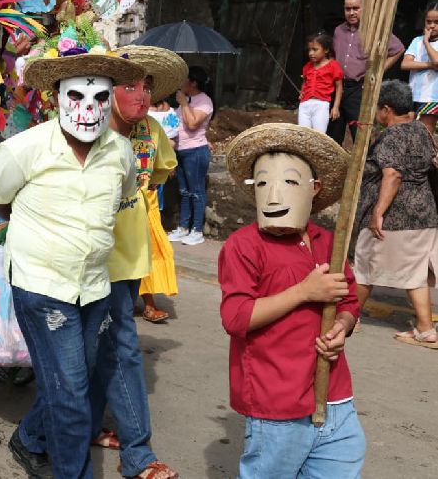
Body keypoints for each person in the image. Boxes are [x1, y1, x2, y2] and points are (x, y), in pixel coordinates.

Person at [0, 22, 143, 479]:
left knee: (73, 379)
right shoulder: (23, 150)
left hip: (95, 285)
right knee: (71, 395)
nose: (89, 108)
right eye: (77, 96)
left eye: (99, 97)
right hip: (41, 285)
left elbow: (124, 195)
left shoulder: (121, 152)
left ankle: (30, 438)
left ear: (111, 97)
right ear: (56, 97)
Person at [220, 123, 364, 478]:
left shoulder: (331, 241)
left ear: (314, 189)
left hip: (335, 398)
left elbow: (349, 301)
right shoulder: (243, 245)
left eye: (289, 183)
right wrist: (303, 292)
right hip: (276, 406)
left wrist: (342, 328)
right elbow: (236, 318)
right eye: (264, 183)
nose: (273, 196)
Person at [87, 44, 182, 479]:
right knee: (106, 349)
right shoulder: (86, 128)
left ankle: (130, 449)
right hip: (87, 256)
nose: (141, 96)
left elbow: (159, 174)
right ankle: (133, 453)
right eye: (130, 86)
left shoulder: (153, 134)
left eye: (146, 87)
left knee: (112, 347)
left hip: (128, 258)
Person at [354, 80, 438, 348]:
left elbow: (392, 175)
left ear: (387, 109)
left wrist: (378, 211)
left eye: (379, 109)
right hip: (424, 212)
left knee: (366, 263)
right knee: (415, 272)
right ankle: (425, 330)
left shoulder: (392, 135)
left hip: (396, 215)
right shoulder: (422, 130)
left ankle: (348, 316)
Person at [328, 0, 405, 145]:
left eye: (355, 8)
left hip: (359, 89)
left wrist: (378, 71)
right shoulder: (338, 31)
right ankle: (334, 167)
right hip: (337, 87)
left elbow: (398, 49)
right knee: (333, 132)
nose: (351, 13)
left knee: (360, 134)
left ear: (365, 8)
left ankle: (363, 168)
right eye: (347, 9)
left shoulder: (375, 31)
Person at [169, 66, 214, 246]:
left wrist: (185, 104)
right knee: (184, 192)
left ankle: (196, 230)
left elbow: (193, 124)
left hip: (196, 151)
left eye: (185, 80)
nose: (182, 83)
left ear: (193, 82)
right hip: (181, 150)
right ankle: (183, 227)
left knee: (196, 192)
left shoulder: (204, 101)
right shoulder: (183, 101)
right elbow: (175, 123)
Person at [401, 2, 438, 135]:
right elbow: (405, 64)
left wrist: (427, 43)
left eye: (436, 22)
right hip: (413, 94)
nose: (432, 26)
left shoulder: (424, 42)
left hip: (432, 97)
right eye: (429, 22)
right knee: (408, 131)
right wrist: (429, 65)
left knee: (425, 133)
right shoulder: (417, 41)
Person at [298, 32, 343, 133]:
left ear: (326, 50)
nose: (311, 53)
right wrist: (302, 92)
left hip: (321, 105)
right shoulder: (307, 66)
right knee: (302, 135)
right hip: (304, 105)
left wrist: (335, 107)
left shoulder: (333, 65)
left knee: (319, 136)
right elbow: (305, 81)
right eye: (309, 50)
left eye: (315, 49)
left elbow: (339, 86)